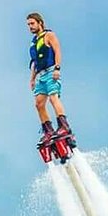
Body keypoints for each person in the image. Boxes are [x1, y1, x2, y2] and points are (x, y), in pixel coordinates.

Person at [27, 12, 75, 148]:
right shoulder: (34, 42)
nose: (30, 27)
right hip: (41, 75)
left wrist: (57, 68)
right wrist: (32, 79)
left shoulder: (49, 35)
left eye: (32, 23)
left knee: (54, 97)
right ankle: (48, 131)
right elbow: (35, 62)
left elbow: (58, 51)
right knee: (39, 103)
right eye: (28, 24)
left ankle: (64, 126)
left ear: (40, 23)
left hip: (51, 72)